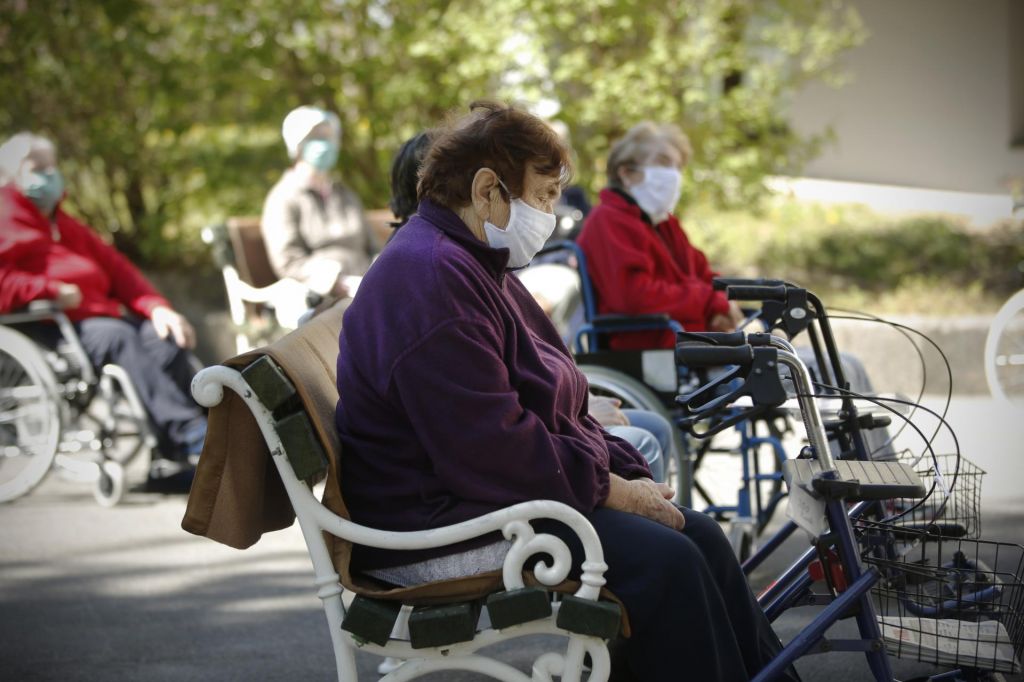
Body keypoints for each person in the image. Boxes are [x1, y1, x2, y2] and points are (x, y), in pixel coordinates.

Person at [335, 102, 796, 681]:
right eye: (545, 195)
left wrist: (617, 471)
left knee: (695, 533)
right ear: (486, 190)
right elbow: (491, 449)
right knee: (667, 560)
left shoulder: (467, 259)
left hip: (469, 494)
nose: (552, 214)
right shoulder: (433, 279)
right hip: (432, 528)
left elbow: (535, 400)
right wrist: (614, 488)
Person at [0, 132, 207, 484]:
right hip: (46, 324)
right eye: (39, 168)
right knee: (119, 338)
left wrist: (158, 308)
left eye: (52, 167)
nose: (49, 175)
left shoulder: (65, 224)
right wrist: (48, 289)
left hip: (98, 317)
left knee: (162, 338)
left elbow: (119, 271)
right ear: (11, 172)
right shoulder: (6, 216)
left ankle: (187, 450)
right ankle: (191, 435)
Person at [577, 122, 744, 350]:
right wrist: (709, 303)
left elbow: (704, 274)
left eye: (678, 167)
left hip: (688, 340)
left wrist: (722, 302)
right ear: (626, 173)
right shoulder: (607, 220)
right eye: (664, 163)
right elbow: (634, 296)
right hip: (647, 347)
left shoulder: (664, 223)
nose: (674, 176)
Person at [260, 105, 378, 325]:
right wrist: (336, 283)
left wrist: (379, 273)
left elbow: (372, 246)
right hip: (320, 299)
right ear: (298, 145)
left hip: (366, 288)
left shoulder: (346, 194)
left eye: (329, 137)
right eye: (316, 137)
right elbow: (288, 260)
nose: (325, 144)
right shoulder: (283, 198)